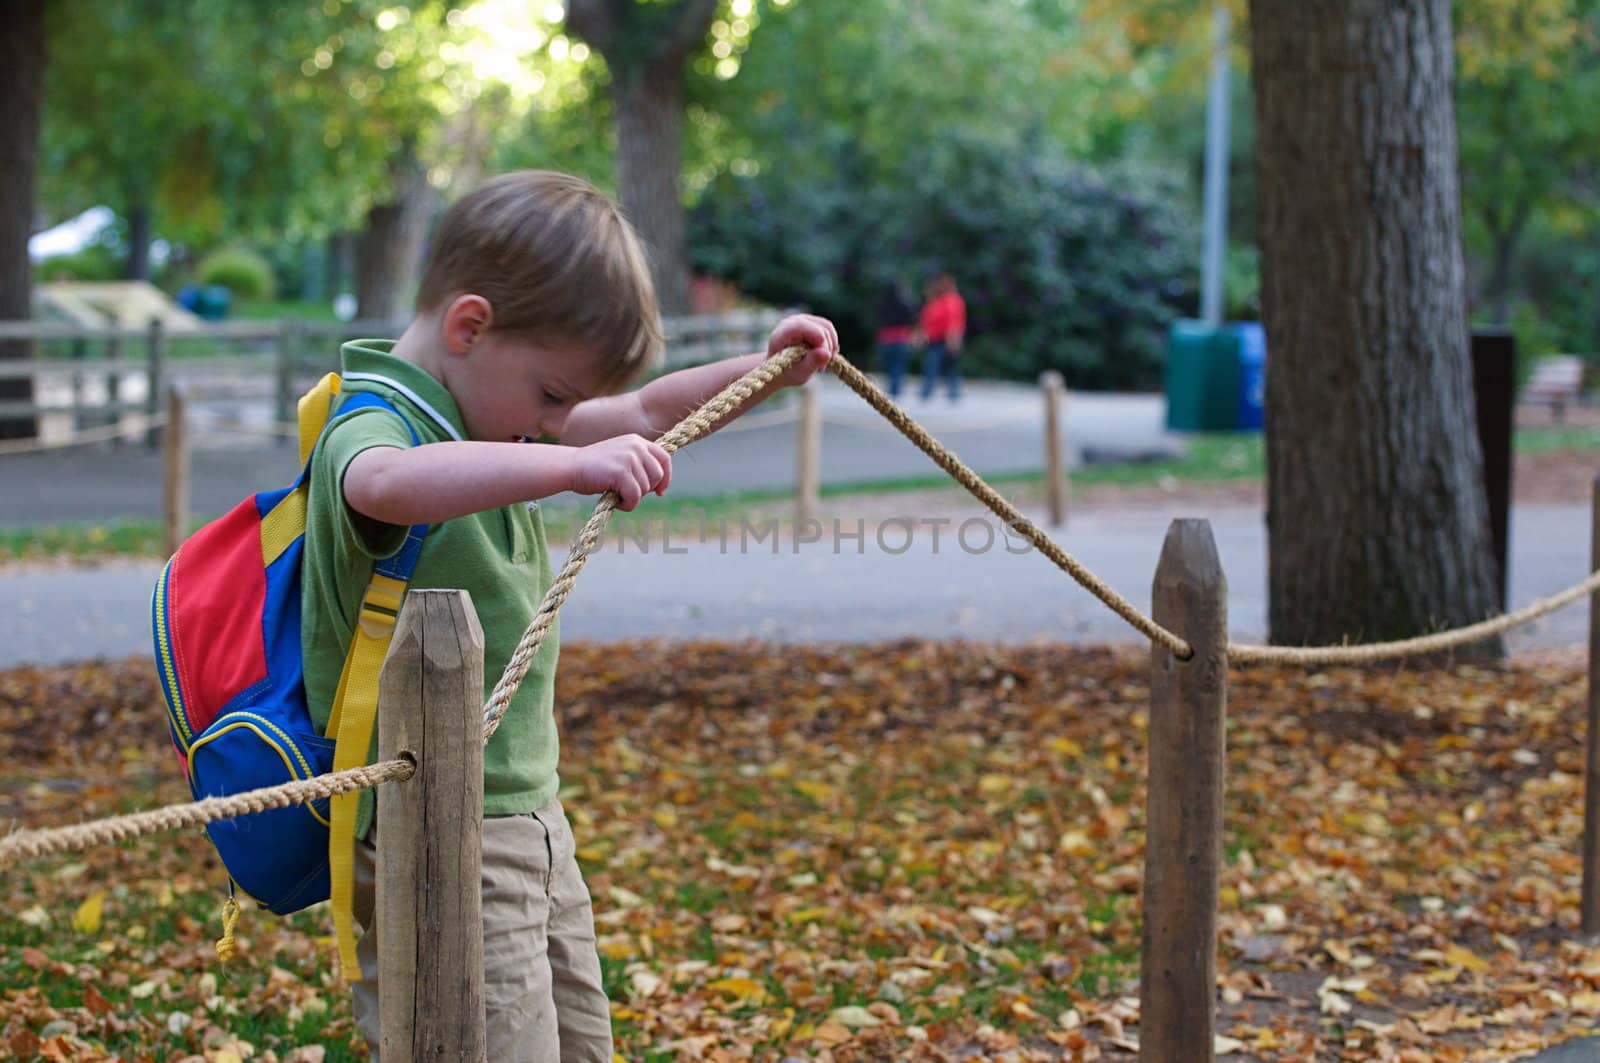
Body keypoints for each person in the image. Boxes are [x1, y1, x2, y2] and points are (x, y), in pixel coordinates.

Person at [301, 170, 837, 1060]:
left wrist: (769, 368)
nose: (558, 423)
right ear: (470, 327)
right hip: (436, 823)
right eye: (552, 396)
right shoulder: (377, 420)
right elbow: (381, 484)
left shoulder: (495, 414)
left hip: (526, 815)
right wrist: (565, 467)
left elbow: (641, 410)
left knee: (580, 1042)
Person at [916, 271, 966, 402]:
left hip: (944, 339)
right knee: (944, 366)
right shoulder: (939, 301)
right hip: (936, 339)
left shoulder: (952, 300)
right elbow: (929, 321)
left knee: (937, 365)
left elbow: (954, 322)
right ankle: (948, 392)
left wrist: (953, 339)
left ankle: (941, 392)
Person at [874, 278, 917, 399]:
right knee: (899, 364)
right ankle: (896, 389)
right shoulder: (905, 302)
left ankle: (893, 388)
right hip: (901, 337)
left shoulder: (883, 302)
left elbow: (878, 318)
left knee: (890, 364)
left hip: (887, 338)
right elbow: (913, 317)